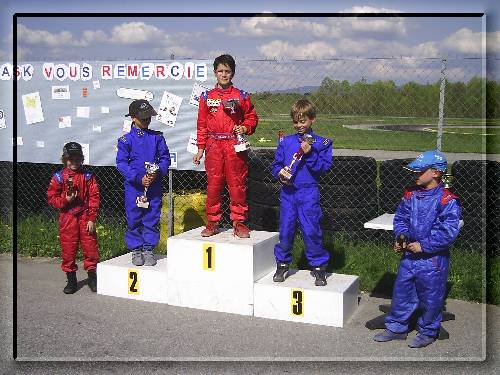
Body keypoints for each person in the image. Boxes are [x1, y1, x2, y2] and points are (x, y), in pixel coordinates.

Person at [373, 150, 462, 348]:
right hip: (409, 256)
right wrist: (401, 237)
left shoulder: (447, 200)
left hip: (433, 261)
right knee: (402, 292)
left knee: (431, 297)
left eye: (420, 171)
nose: (416, 175)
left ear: (436, 173)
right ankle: (397, 328)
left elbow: (448, 232)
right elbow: (401, 219)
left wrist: (424, 245)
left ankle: (428, 330)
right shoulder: (410, 194)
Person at [193, 54, 258, 238]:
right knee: (213, 185)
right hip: (214, 146)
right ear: (215, 73)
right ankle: (212, 222)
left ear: (233, 73)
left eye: (227, 71)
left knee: (237, 184)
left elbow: (252, 118)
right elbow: (201, 124)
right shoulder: (206, 97)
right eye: (220, 71)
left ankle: (239, 223)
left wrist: (244, 127)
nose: (224, 74)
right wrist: (200, 149)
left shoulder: (242, 96)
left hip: (234, 144)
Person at [270, 99, 332, 286]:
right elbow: (276, 164)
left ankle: (319, 267)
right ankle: (282, 263)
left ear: (312, 119)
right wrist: (279, 173)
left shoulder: (322, 143)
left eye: (303, 121)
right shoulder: (286, 142)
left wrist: (311, 153)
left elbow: (324, 167)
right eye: (296, 122)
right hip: (288, 193)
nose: (299, 125)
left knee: (311, 229)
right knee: (286, 229)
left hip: (308, 193)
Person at [116, 99, 171, 267]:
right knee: (134, 218)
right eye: (143, 118)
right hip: (134, 188)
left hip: (153, 188)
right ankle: (136, 249)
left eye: (149, 117)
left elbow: (165, 159)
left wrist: (157, 172)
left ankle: (148, 249)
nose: (147, 120)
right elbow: (122, 164)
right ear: (133, 118)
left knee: (151, 218)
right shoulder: (125, 140)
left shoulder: (157, 137)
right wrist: (138, 178)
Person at [47, 142, 100, 294]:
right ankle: (71, 280)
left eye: (78, 159)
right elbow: (52, 198)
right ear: (65, 160)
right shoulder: (58, 177)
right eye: (71, 159)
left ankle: (92, 278)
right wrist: (66, 200)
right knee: (68, 249)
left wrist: (91, 218)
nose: (74, 162)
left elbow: (94, 197)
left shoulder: (88, 176)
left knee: (90, 247)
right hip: (67, 217)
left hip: (85, 216)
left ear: (82, 159)